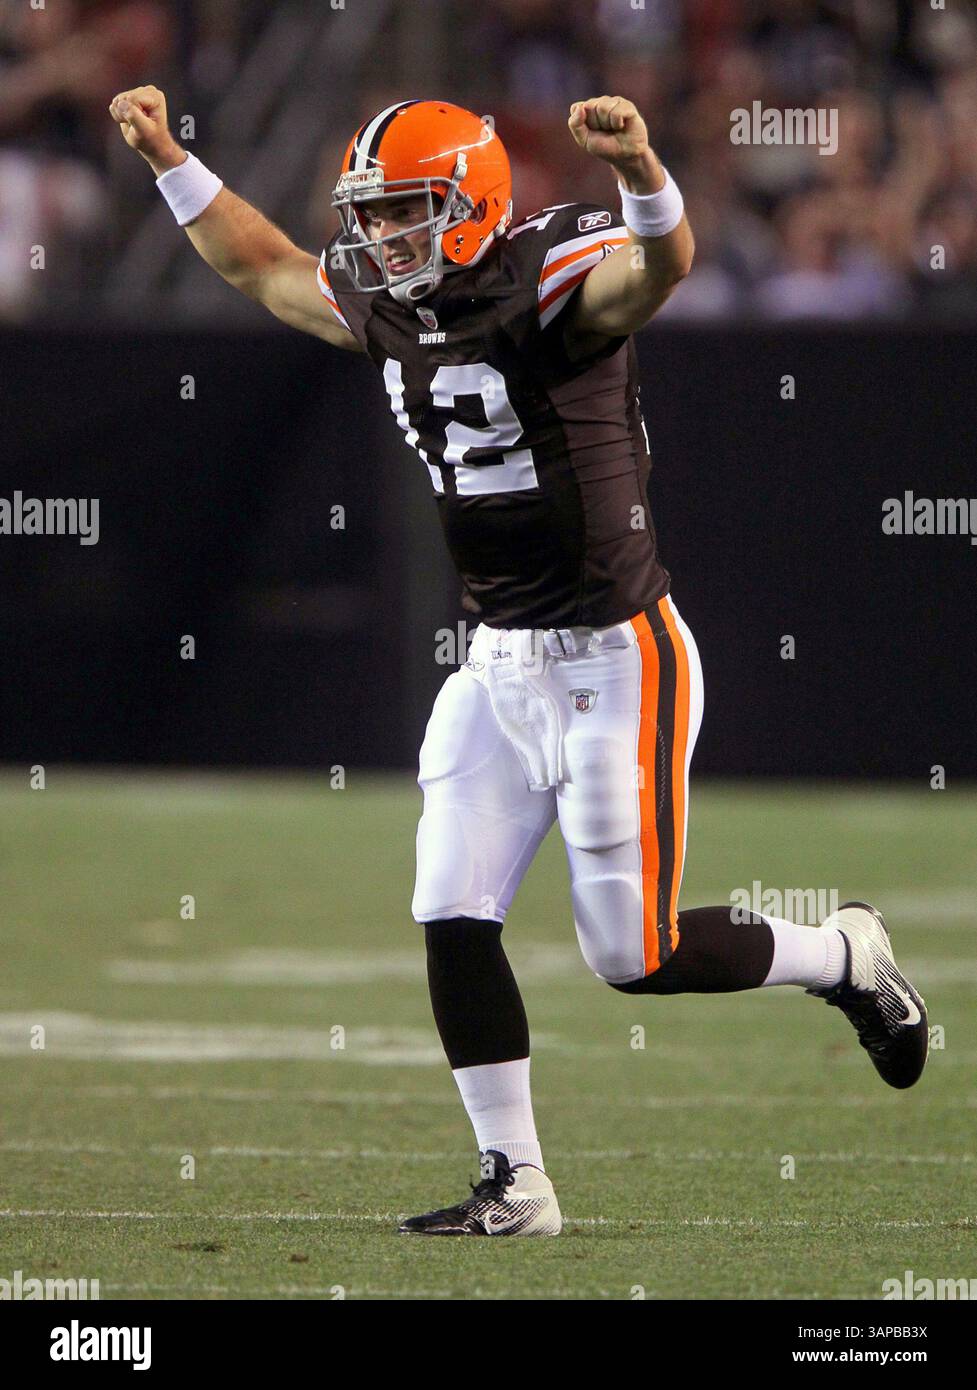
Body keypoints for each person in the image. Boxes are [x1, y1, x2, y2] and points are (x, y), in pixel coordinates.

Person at [109, 88, 928, 1237]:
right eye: (372, 215)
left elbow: (660, 268)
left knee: (632, 956)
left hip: (617, 654)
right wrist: (167, 158)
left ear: (470, 204)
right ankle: (517, 1182)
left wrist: (642, 168)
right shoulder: (392, 304)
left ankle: (843, 953)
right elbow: (262, 266)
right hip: (494, 662)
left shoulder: (550, 273)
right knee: (449, 907)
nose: (379, 238)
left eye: (403, 212)